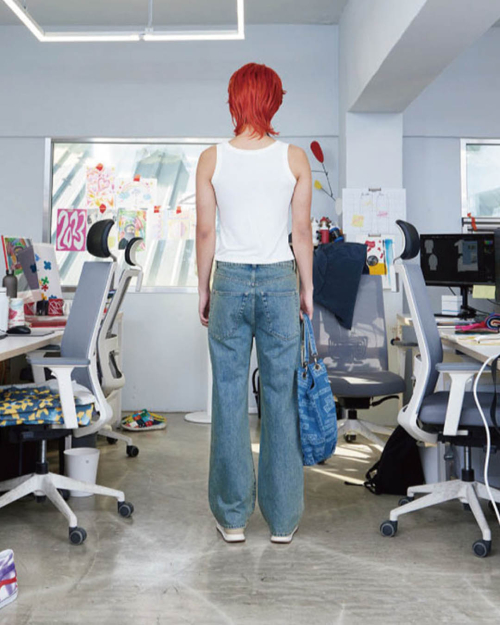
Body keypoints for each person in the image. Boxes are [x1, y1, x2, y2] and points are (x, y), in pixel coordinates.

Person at [195, 62, 313, 544]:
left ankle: (233, 519)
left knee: (228, 398)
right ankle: (282, 522)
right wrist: (307, 289)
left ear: (235, 100)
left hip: (228, 280)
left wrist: (203, 288)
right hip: (281, 280)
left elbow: (205, 232)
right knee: (281, 399)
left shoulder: (211, 159)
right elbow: (301, 232)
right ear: (273, 100)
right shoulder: (294, 158)